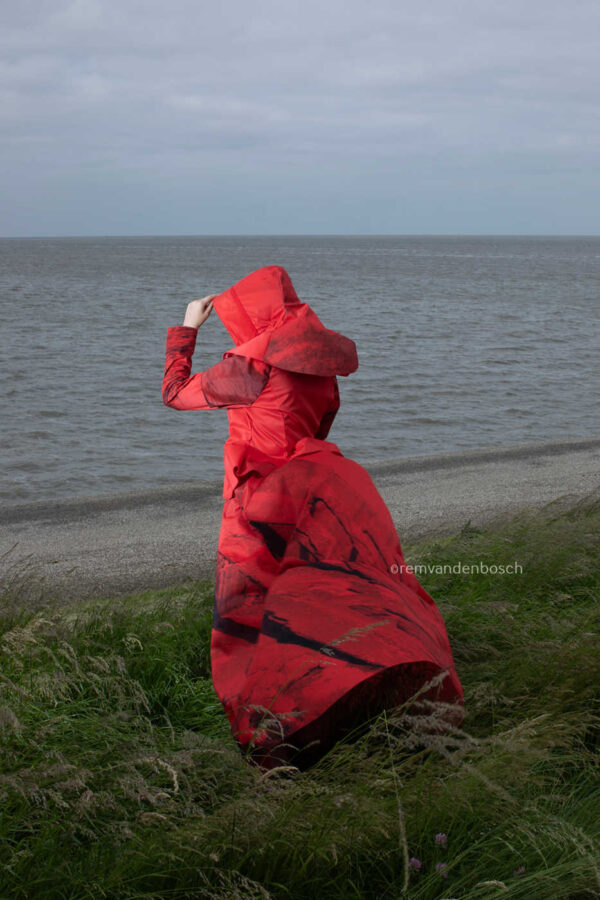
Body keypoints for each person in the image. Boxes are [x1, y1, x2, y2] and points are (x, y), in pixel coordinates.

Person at [162, 265, 463, 771]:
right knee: (322, 605)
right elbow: (319, 425)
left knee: (250, 621)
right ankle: (349, 706)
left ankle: (269, 739)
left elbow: (175, 393)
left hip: (259, 506)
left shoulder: (247, 368)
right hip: (310, 497)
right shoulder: (319, 367)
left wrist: (187, 328)